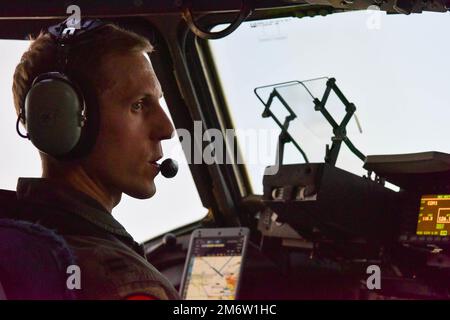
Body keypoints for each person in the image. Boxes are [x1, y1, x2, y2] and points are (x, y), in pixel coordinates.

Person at [7, 19, 180, 299]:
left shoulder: (21, 235)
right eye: (138, 105)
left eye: (159, 102)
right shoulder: (122, 283)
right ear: (62, 121)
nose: (167, 129)